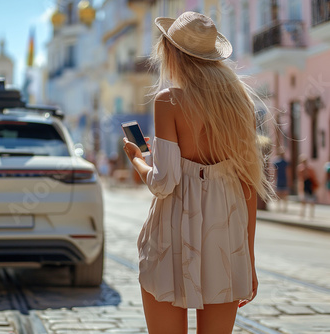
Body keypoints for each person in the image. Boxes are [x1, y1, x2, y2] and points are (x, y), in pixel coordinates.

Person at [122, 12, 274, 334]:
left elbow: (164, 183)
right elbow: (248, 187)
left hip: (173, 232)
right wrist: (249, 259)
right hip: (227, 233)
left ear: (173, 53)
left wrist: (137, 157)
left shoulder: (170, 101)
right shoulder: (240, 105)